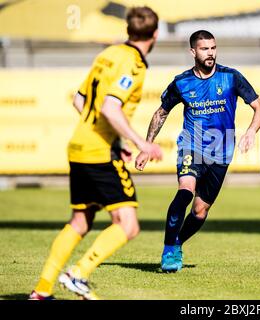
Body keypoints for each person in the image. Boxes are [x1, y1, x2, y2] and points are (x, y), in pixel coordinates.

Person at [29, 6, 162, 300]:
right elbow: (110, 107)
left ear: (128, 30)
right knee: (127, 225)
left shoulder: (108, 54)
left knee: (80, 221)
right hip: (99, 152)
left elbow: (80, 99)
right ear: (155, 34)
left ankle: (41, 290)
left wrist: (116, 141)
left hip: (79, 146)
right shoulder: (133, 64)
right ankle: (78, 274)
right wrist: (142, 143)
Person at [135, 30, 260, 272]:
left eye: (213, 48)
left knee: (200, 211)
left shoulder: (231, 77)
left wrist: (250, 132)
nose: (210, 53)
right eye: (205, 49)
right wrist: (146, 146)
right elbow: (160, 113)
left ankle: (176, 243)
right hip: (192, 146)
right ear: (193, 52)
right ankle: (169, 250)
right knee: (185, 192)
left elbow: (259, 108)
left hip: (222, 151)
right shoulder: (182, 82)